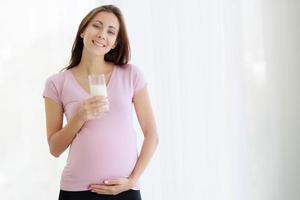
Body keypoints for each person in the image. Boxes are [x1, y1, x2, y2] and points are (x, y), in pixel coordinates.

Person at [42, 5, 159, 200]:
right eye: (97, 26)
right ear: (83, 31)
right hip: (77, 191)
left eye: (111, 31)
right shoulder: (56, 83)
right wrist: (80, 116)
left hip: (125, 189)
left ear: (114, 43)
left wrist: (132, 181)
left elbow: (152, 135)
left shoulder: (131, 75)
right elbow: (55, 149)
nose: (102, 34)